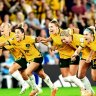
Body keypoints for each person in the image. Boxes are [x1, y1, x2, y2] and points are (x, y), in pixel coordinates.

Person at [2, 27, 58, 96]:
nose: (16, 34)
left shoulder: (29, 38)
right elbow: (4, 43)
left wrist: (50, 46)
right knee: (41, 74)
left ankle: (35, 89)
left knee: (27, 72)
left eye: (18, 33)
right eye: (15, 33)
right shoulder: (14, 40)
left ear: (23, 34)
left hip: (37, 57)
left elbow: (40, 39)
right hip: (30, 60)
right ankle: (53, 87)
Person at [40, 19, 88, 95]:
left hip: (72, 55)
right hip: (62, 57)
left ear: (57, 27)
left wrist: (75, 39)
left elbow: (76, 30)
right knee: (65, 79)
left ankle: (84, 89)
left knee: (72, 76)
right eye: (49, 27)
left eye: (52, 27)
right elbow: (52, 42)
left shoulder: (65, 32)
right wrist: (47, 42)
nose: (50, 29)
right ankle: (83, 86)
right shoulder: (52, 33)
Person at [60, 27, 95, 95]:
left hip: (93, 55)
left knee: (94, 77)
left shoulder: (80, 38)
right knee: (80, 75)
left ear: (68, 36)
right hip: (85, 56)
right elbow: (79, 49)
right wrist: (74, 55)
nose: (64, 41)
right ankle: (89, 92)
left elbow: (93, 44)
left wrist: (90, 56)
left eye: (64, 39)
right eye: (62, 40)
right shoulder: (69, 41)